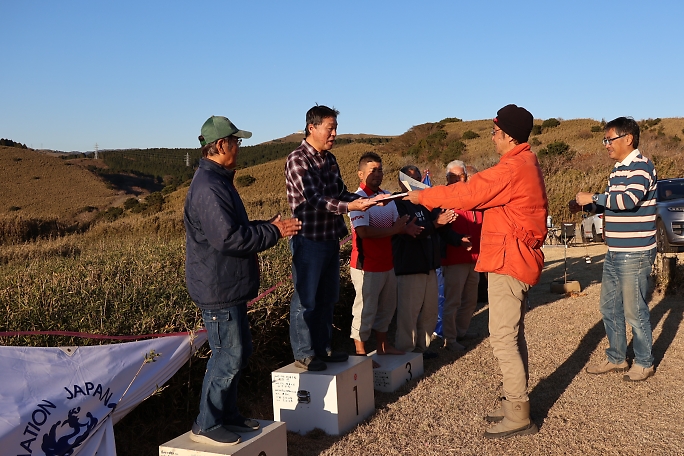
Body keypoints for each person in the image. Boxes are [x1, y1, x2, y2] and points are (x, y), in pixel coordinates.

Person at [407, 104, 547, 439]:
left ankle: (518, 412)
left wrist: (423, 196)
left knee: (503, 337)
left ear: (509, 135)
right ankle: (514, 400)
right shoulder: (525, 163)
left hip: (509, 260)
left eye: (495, 132)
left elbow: (469, 193)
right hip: (513, 258)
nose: (493, 137)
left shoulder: (512, 168)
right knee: (512, 335)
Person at [185, 116, 302, 446]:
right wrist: (274, 232)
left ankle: (227, 415)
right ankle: (207, 425)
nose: (239, 148)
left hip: (226, 284)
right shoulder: (209, 187)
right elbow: (229, 239)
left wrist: (267, 226)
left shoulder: (216, 181)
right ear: (222, 145)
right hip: (218, 287)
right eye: (237, 142)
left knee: (238, 352)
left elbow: (233, 230)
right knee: (228, 355)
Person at [285, 105, 380, 372]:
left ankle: (322, 349)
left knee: (327, 298)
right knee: (305, 300)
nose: (335, 134)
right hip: (308, 239)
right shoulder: (298, 159)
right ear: (312, 127)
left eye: (335, 128)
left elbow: (340, 193)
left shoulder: (329, 159)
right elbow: (315, 199)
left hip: (329, 239)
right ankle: (304, 354)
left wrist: (369, 200)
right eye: (330, 128)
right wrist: (351, 206)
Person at [570, 116, 657, 382]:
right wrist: (588, 206)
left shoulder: (642, 167)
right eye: (605, 140)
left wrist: (594, 197)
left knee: (634, 310)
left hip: (636, 252)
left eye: (609, 139)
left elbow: (628, 200)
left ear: (628, 139)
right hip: (616, 250)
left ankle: (644, 362)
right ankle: (617, 358)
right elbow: (611, 204)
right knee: (609, 307)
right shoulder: (618, 170)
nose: (606, 144)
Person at [348, 152, 421, 362]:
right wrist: (396, 230)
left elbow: (396, 225)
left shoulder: (387, 196)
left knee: (387, 309)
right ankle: (360, 355)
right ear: (360, 174)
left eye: (380, 170)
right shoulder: (357, 200)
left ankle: (382, 346)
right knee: (364, 310)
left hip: (387, 263)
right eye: (373, 170)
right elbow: (364, 232)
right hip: (366, 265)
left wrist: (406, 229)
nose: (378, 174)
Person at [393, 166, 459, 359]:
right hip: (410, 267)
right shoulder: (397, 203)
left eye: (418, 177)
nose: (416, 181)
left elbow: (440, 227)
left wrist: (457, 237)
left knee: (429, 311)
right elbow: (411, 232)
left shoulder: (425, 201)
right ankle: (406, 351)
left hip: (430, 265)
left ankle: (422, 348)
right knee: (409, 313)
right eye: (411, 178)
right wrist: (436, 223)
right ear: (401, 181)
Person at [440, 160, 483, 351]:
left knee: (471, 299)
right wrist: (458, 240)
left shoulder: (474, 198)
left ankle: (461, 331)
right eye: (453, 177)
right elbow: (440, 229)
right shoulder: (442, 200)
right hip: (454, 258)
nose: (458, 180)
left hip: (474, 257)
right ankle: (450, 339)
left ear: (466, 177)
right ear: (447, 178)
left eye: (461, 176)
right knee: (453, 300)